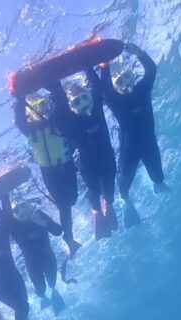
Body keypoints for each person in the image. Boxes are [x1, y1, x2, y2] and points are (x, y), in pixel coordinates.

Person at [100, 42, 167, 227]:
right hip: (129, 150)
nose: (125, 83)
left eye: (127, 77)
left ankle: (157, 187)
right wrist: (104, 66)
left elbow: (151, 70)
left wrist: (138, 53)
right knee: (124, 185)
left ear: (132, 76)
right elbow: (104, 88)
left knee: (159, 179)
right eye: (119, 81)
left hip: (150, 145)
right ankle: (126, 203)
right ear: (115, 86)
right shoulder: (114, 100)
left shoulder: (142, 90)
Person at [50, 69, 118, 239]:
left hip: (107, 160)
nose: (83, 104)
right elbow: (60, 110)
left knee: (109, 189)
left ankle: (108, 205)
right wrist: (55, 87)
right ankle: (97, 212)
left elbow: (97, 87)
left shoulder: (97, 109)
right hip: (88, 166)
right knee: (94, 191)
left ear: (90, 97)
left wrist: (88, 67)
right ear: (71, 107)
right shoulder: (72, 122)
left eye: (85, 98)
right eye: (76, 102)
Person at [13, 92, 82, 256]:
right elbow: (19, 121)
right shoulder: (29, 130)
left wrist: (53, 89)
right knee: (64, 206)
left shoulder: (57, 122)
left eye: (44, 104)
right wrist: (20, 98)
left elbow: (62, 105)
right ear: (31, 112)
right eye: (37, 107)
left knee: (72, 199)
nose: (42, 110)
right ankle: (69, 238)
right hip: (50, 173)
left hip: (67, 165)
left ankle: (65, 234)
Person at [7, 195, 68, 314]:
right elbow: (3, 221)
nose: (21, 211)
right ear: (14, 215)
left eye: (23, 206)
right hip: (32, 265)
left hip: (48, 257)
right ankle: (43, 298)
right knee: (40, 289)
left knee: (52, 282)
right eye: (16, 210)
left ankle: (54, 292)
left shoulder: (39, 215)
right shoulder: (14, 226)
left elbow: (58, 231)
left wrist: (44, 223)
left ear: (30, 206)